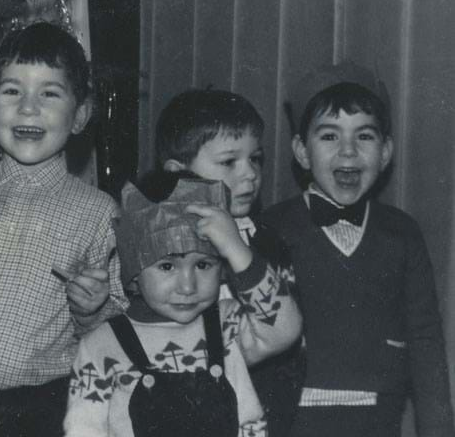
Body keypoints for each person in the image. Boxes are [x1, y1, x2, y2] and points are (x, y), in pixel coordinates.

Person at [0, 22, 127, 437]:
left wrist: (93, 310)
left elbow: (120, 327)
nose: (28, 108)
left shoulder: (97, 213)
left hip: (47, 408)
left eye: (49, 93)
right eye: (12, 91)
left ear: (80, 115)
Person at [260, 60, 455, 437]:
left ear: (385, 152)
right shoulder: (272, 228)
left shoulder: (402, 232)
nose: (348, 152)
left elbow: (426, 343)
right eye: (329, 136)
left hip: (378, 419)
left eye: (364, 136)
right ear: (301, 151)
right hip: (291, 420)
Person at [64, 178, 302, 437]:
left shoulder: (227, 327)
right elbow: (83, 430)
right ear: (134, 275)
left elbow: (285, 330)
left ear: (222, 268)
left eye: (203, 265)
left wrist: (238, 251)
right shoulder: (101, 347)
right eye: (167, 267)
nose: (187, 286)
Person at [150, 88, 304, 437]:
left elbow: (283, 332)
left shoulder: (266, 243)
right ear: (178, 173)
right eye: (229, 162)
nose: (249, 173)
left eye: (256, 158)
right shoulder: (155, 246)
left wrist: (236, 249)